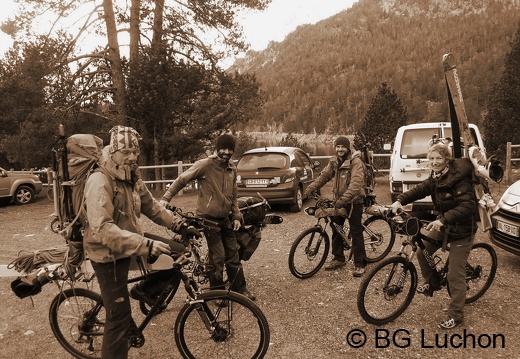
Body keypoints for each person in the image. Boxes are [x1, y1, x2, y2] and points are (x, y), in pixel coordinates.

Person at [83, 125, 200, 359]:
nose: (132, 157)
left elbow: (151, 206)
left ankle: (143, 291)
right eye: (126, 152)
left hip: (131, 242)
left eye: (135, 152)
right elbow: (102, 229)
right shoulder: (100, 180)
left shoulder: (131, 176)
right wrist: (146, 245)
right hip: (106, 253)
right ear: (113, 151)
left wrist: (179, 225)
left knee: (177, 253)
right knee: (118, 317)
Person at [390, 143, 478, 329]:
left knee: (455, 276)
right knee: (422, 252)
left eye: (439, 158)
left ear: (447, 159)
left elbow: (468, 206)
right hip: (445, 226)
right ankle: (433, 283)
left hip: (462, 230)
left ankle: (456, 315)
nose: (434, 162)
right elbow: (420, 189)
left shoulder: (459, 178)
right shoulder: (436, 177)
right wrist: (399, 200)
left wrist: (443, 219)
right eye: (431, 159)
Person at [159, 133, 256, 300]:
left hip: (225, 218)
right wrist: (166, 199)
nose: (226, 152)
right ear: (217, 149)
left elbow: (234, 194)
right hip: (208, 219)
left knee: (233, 253)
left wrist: (237, 216)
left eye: (230, 149)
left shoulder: (231, 167)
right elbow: (182, 179)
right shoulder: (206, 165)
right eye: (223, 148)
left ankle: (240, 289)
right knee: (218, 256)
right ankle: (216, 293)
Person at [303, 136, 367, 277]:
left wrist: (344, 199)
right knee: (336, 228)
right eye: (337, 146)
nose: (339, 149)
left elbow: (356, 184)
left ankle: (360, 263)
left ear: (348, 148)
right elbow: (324, 176)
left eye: (342, 147)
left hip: (354, 201)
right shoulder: (334, 162)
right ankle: (338, 258)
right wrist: (310, 188)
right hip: (339, 200)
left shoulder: (356, 163)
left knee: (356, 231)